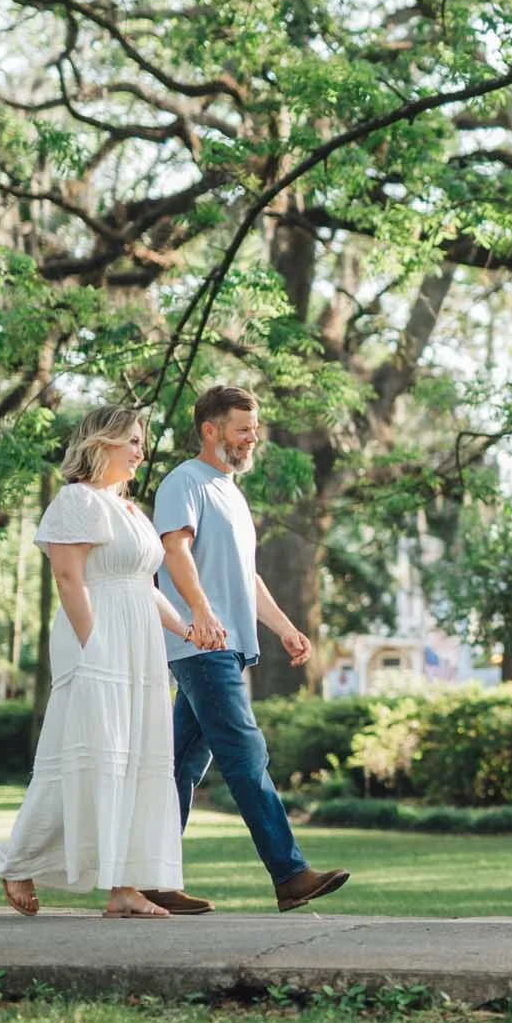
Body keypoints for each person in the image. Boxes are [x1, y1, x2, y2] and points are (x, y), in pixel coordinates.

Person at [0, 406, 202, 919]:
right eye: (131, 440)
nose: (140, 451)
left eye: (140, 442)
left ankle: (124, 888)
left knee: (132, 763)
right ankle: (17, 860)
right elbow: (69, 579)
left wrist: (186, 628)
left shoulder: (129, 510)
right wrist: (94, 645)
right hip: (98, 647)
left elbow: (143, 586)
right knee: (82, 759)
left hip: (140, 653)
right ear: (101, 442)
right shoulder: (77, 501)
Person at [155, 385, 351, 913]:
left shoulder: (232, 494)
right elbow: (174, 551)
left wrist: (285, 628)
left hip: (229, 645)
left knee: (177, 767)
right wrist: (200, 612)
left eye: (254, 429)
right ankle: (289, 874)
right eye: (243, 429)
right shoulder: (184, 482)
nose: (252, 438)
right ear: (211, 430)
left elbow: (246, 577)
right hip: (202, 645)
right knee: (246, 755)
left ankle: (151, 877)